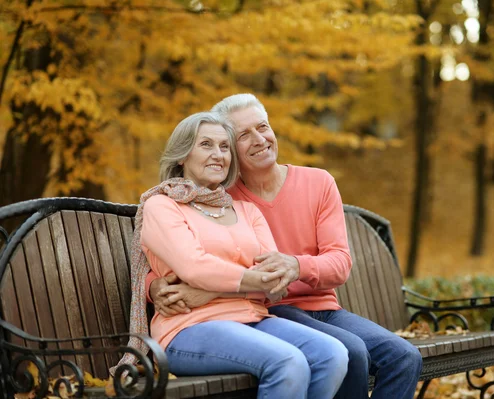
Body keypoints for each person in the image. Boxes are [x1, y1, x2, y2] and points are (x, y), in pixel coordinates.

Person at [148, 95, 422, 399]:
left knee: (404, 357)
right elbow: (178, 260)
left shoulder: (307, 186)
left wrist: (296, 266)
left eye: (262, 127)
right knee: (350, 352)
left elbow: (339, 263)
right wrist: (154, 286)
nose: (258, 140)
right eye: (242, 136)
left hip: (310, 308)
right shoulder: (219, 195)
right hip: (272, 308)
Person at [121, 111, 348, 399]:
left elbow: (274, 280)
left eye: (225, 147)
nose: (218, 155)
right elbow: (195, 267)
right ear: (182, 155)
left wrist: (207, 292)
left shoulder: (245, 210)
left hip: (254, 318)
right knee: (288, 362)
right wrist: (239, 285)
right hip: (190, 328)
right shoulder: (162, 206)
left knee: (332, 354)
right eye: (206, 145)